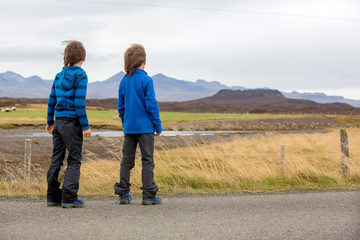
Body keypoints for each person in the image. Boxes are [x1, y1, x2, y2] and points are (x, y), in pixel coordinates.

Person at [114, 44, 162, 205]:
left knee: (126, 161)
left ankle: (123, 195)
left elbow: (121, 107)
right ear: (144, 61)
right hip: (146, 129)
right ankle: (148, 196)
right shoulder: (147, 80)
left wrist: (125, 122)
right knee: (147, 160)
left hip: (129, 128)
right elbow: (151, 105)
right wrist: (158, 126)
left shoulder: (124, 81)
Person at [45, 40, 91, 208]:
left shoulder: (59, 75)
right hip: (72, 124)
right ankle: (69, 198)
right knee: (74, 159)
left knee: (56, 157)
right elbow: (79, 103)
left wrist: (50, 122)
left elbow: (51, 101)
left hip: (58, 123)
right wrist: (85, 126)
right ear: (83, 58)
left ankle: (52, 196)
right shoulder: (81, 75)